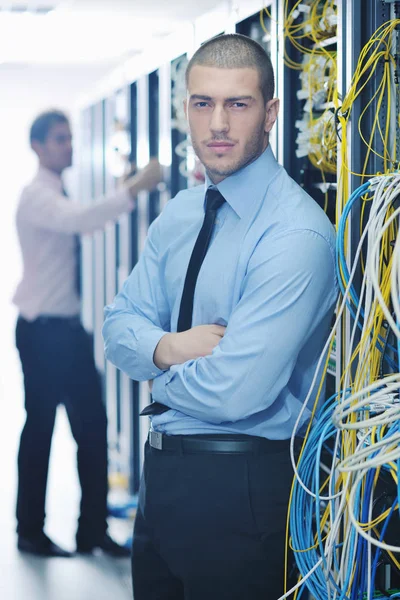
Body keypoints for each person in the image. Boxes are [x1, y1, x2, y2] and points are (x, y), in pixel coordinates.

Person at [103, 33, 338, 599]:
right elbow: (116, 326)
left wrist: (151, 366)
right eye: (203, 103)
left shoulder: (294, 233)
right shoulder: (182, 213)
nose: (218, 125)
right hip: (161, 483)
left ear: (272, 113)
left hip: (241, 488)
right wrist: (176, 347)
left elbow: (238, 392)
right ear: (187, 110)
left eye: (239, 103)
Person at [13, 109, 162, 558]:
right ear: (38, 146)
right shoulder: (37, 195)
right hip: (43, 332)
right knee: (41, 430)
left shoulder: (54, 189)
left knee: (93, 429)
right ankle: (30, 532)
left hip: (65, 331)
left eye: (70, 138)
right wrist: (135, 187)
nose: (69, 146)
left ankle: (91, 531)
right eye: (60, 139)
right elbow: (81, 220)